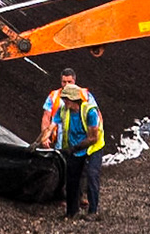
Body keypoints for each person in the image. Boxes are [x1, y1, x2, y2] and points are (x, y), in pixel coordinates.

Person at [42, 68, 105, 219]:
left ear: (73, 100)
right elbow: (51, 125)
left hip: (92, 147)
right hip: (75, 147)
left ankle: (93, 211)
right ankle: (71, 212)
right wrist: (43, 138)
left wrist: (73, 149)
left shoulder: (89, 112)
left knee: (92, 175)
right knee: (71, 178)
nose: (63, 101)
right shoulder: (64, 110)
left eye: (66, 99)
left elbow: (93, 138)